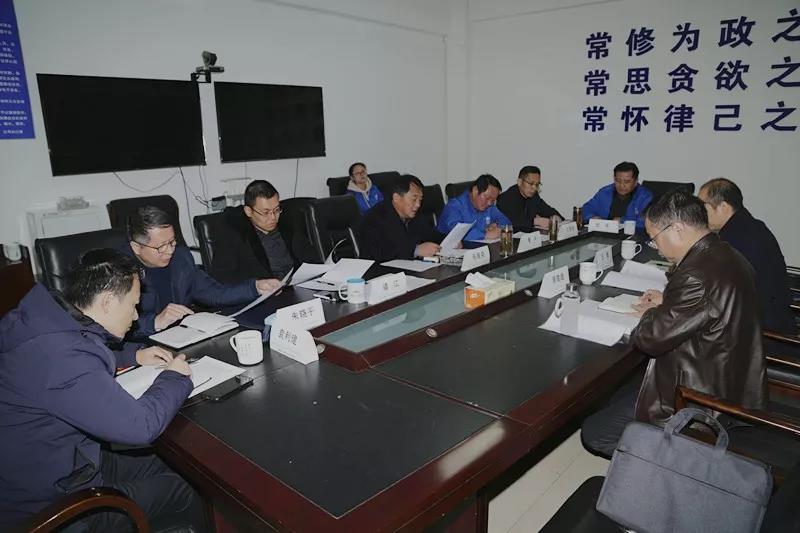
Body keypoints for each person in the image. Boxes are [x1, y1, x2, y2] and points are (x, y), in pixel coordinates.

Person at [0, 249, 208, 531]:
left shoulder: (46, 318)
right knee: (185, 490)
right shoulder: (62, 358)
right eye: (133, 305)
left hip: (63, 461)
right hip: (52, 504)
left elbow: (84, 345)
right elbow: (141, 426)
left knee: (174, 466)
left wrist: (133, 355)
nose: (136, 315)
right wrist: (175, 378)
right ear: (108, 302)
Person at [581, 190, 766, 457]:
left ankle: (671, 463)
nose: (655, 246)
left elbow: (650, 338)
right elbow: (708, 307)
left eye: (655, 238)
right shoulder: (728, 254)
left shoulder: (696, 275)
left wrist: (650, 312)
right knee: (617, 396)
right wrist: (668, 302)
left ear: (677, 229)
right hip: (731, 380)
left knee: (596, 432)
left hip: (699, 398)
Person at [123, 206, 281, 337]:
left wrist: (254, 287)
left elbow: (214, 292)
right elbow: (112, 326)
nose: (169, 251)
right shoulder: (120, 271)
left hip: (181, 337)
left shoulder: (180, 257)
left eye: (172, 242)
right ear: (136, 247)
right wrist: (155, 322)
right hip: (142, 347)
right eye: (161, 246)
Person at [698, 177, 795, 334]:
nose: (700, 214)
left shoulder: (735, 239)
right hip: (766, 321)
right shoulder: (751, 227)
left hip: (762, 332)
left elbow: (715, 291)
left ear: (723, 207)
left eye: (703, 207)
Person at [218, 179, 312, 284]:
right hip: (265, 292)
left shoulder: (288, 225)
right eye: (266, 212)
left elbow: (311, 260)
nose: (273, 218)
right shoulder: (236, 235)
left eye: (276, 210)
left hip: (297, 286)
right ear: (248, 211)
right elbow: (222, 279)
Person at [359, 174, 443, 262]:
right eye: (414, 199)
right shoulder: (374, 219)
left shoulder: (414, 215)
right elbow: (378, 253)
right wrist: (415, 251)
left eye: (420, 200)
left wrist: (449, 241)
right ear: (396, 198)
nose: (418, 205)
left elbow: (431, 235)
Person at [437, 174, 512, 242]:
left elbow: (506, 222)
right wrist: (485, 235)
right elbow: (457, 233)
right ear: (475, 190)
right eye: (487, 198)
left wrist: (497, 225)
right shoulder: (454, 206)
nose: (489, 203)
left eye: (493, 200)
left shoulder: (489, 207)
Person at [581, 161, 653, 230]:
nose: (621, 185)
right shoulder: (605, 192)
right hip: (604, 233)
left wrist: (622, 220)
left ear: (636, 181)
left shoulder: (645, 197)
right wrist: (592, 217)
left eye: (627, 182)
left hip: (631, 235)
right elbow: (586, 208)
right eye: (618, 181)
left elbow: (648, 221)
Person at [497, 165, 563, 231]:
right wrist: (536, 221)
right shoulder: (506, 198)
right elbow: (515, 224)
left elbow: (546, 210)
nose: (534, 188)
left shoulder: (534, 196)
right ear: (519, 182)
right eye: (531, 183)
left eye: (537, 184)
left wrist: (556, 217)